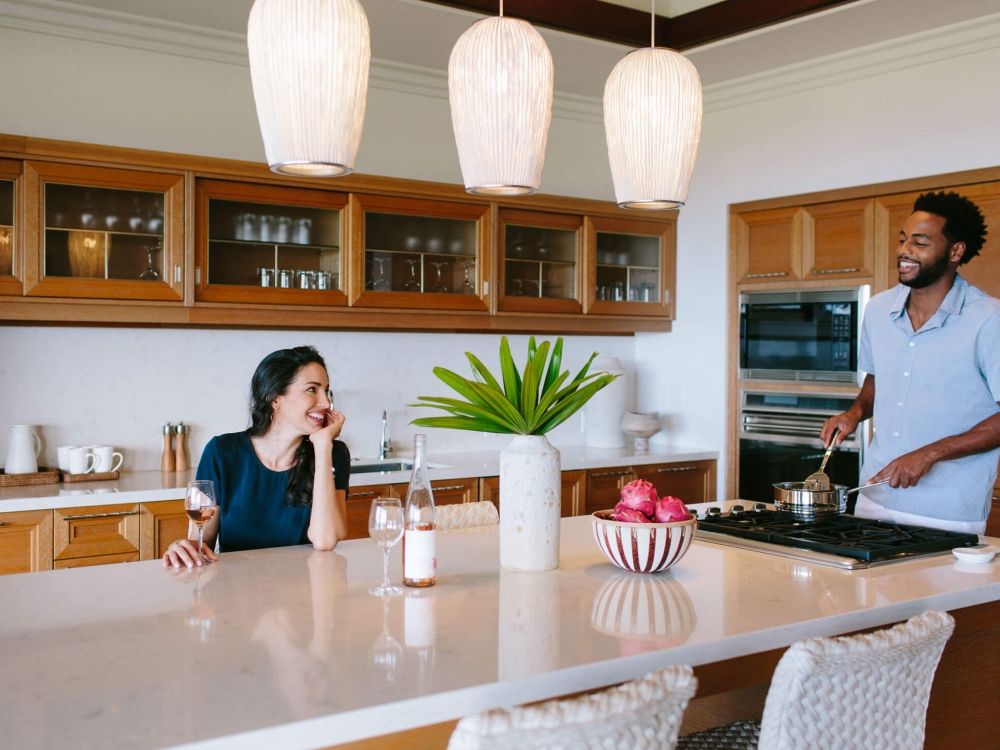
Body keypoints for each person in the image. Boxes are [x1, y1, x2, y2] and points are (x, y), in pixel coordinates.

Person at [820, 191, 1000, 534]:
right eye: (903, 240)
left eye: (919, 242)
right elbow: (877, 381)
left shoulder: (989, 319)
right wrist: (854, 413)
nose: (904, 250)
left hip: (947, 508)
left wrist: (928, 454)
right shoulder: (878, 311)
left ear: (955, 251)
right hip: (875, 496)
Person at [164, 346, 350, 568]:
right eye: (312, 389)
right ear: (274, 398)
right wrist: (185, 547)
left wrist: (322, 447)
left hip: (304, 593)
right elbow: (201, 540)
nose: (326, 403)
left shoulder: (333, 453)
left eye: (326, 391)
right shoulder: (220, 452)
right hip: (236, 593)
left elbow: (324, 540)